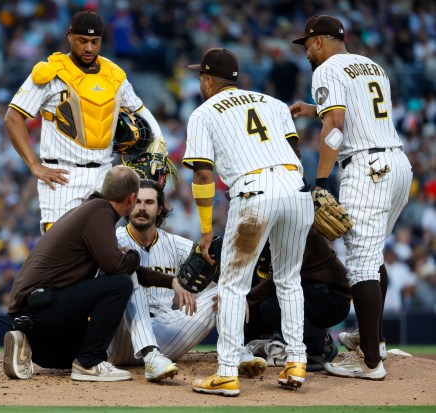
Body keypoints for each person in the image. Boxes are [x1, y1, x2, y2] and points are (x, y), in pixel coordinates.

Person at [183, 48, 314, 396]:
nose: (200, 82)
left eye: (201, 77)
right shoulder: (272, 102)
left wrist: (207, 229)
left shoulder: (204, 112)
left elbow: (202, 174)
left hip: (255, 192)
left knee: (232, 286)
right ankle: (296, 362)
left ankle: (226, 371)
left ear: (208, 80)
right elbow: (295, 153)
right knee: (289, 279)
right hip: (297, 189)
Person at [290, 15, 412, 380]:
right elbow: (358, 114)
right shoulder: (372, 65)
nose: (308, 51)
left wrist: (321, 181)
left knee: (360, 262)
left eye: (308, 44)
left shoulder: (326, 69)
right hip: (398, 164)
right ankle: (371, 338)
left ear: (321, 41)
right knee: (371, 257)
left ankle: (370, 361)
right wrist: (315, 111)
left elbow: (337, 125)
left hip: (366, 168)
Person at [4, 166, 181, 382]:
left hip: (36, 309)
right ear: (132, 198)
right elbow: (116, 267)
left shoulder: (92, 209)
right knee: (120, 284)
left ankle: (27, 343)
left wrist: (171, 281)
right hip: (40, 305)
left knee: (73, 355)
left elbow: (124, 266)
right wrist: (133, 255)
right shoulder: (100, 213)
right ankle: (88, 364)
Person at [4, 10, 166, 233]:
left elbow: (140, 111)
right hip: (62, 176)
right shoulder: (51, 72)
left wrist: (159, 148)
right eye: (82, 41)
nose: (89, 48)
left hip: (104, 176)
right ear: (70, 37)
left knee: (100, 252)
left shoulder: (113, 74)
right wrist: (33, 165)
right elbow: (13, 117)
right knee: (60, 252)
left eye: (94, 41)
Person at [108, 179, 267, 381]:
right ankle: (149, 355)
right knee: (127, 274)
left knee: (224, 290)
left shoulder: (173, 242)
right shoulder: (114, 239)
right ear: (129, 205)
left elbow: (211, 262)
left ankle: (234, 352)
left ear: (159, 209)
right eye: (137, 202)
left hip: (164, 336)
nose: (141, 208)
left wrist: (234, 293)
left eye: (149, 202)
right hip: (120, 337)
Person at [245, 228, 351, 371]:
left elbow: (276, 281)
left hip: (331, 298)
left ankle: (318, 345)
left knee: (270, 307)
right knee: (257, 304)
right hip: (311, 292)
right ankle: (271, 340)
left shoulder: (296, 229)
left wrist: (243, 298)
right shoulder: (272, 230)